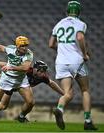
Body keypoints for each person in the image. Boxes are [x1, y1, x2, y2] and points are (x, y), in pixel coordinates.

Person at [49, 1, 97, 130]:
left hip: (61, 62)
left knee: (68, 93)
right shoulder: (80, 24)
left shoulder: (59, 24)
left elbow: (51, 44)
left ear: (67, 11)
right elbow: (80, 37)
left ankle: (60, 109)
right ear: (79, 12)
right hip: (76, 61)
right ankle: (87, 121)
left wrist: (63, 49)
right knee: (85, 90)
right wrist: (84, 54)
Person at [0, 60, 64, 122]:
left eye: (45, 72)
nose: (44, 74)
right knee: (2, 105)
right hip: (11, 83)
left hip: (20, 87)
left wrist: (63, 93)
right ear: (35, 70)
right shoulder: (26, 70)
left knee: (30, 102)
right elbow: (8, 64)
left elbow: (52, 84)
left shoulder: (43, 78)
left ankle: (21, 117)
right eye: (42, 71)